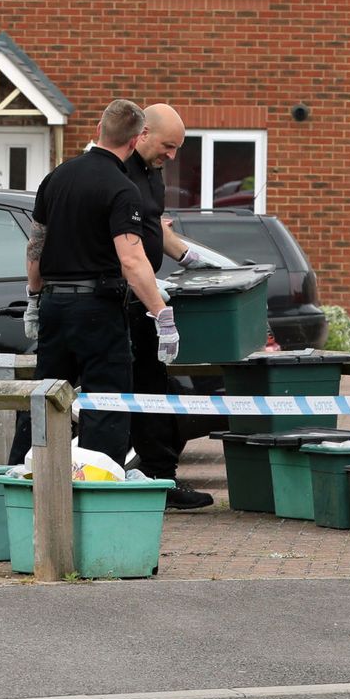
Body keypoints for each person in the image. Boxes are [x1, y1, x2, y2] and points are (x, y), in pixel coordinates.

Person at [10, 99, 171, 467]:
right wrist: (161, 314)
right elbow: (131, 260)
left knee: (45, 397)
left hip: (54, 306)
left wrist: (34, 299)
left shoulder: (56, 178)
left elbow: (36, 248)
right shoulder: (121, 188)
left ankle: (20, 475)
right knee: (106, 404)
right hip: (97, 308)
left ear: (99, 130)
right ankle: (98, 489)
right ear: (134, 142)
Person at [122, 102, 217, 509]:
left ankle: (161, 478)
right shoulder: (114, 174)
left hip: (145, 299)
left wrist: (189, 256)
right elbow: (128, 250)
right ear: (142, 134)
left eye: (178, 148)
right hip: (120, 299)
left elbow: (153, 229)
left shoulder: (151, 175)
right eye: (167, 145)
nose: (172, 156)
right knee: (111, 394)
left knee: (154, 389)